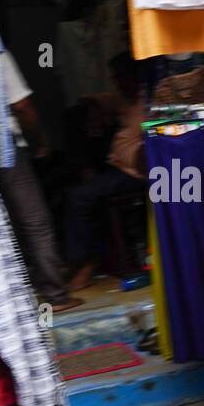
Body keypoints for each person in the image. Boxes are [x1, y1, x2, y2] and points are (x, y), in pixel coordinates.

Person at [0, 41, 82, 312]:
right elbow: (22, 106)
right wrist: (41, 141)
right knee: (35, 222)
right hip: (6, 147)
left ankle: (9, 306)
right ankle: (55, 295)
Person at [65, 53, 148, 290]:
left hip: (136, 174)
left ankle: (85, 264)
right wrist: (93, 110)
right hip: (117, 168)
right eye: (115, 78)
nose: (118, 82)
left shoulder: (148, 99)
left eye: (121, 76)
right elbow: (91, 99)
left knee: (79, 197)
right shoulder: (122, 99)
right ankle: (80, 259)